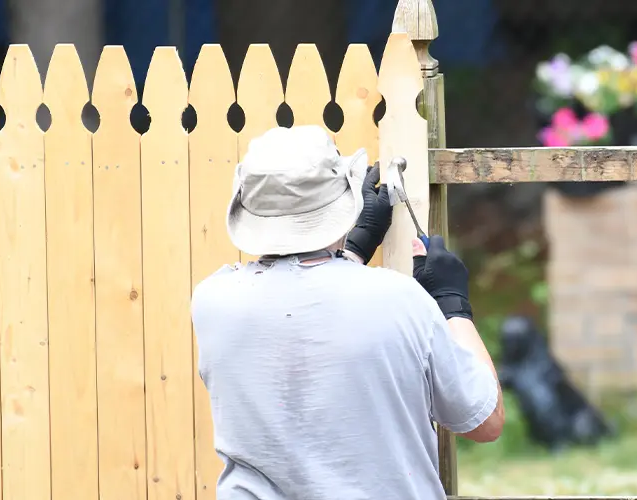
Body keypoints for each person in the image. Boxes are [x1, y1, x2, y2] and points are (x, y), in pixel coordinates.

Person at [190, 125, 504, 500]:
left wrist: (349, 252)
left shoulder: (213, 300)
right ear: (344, 202)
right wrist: (453, 305)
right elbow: (484, 420)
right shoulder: (398, 300)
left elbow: (300, 303)